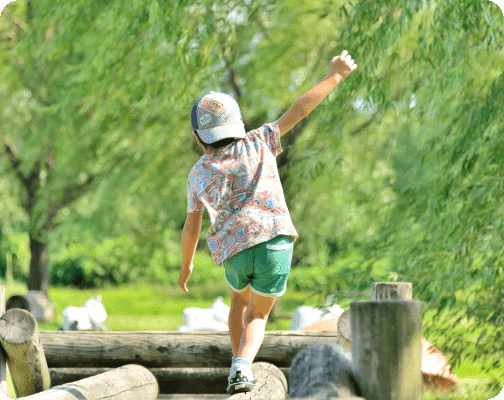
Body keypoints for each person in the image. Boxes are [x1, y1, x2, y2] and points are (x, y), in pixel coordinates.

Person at [179, 50, 357, 395]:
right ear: (237, 124)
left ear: (198, 138)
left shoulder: (198, 173)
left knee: (238, 304)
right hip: (275, 243)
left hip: (233, 252)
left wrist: (186, 266)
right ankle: (244, 366)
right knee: (258, 317)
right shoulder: (260, 141)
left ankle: (237, 364)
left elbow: (191, 227)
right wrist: (336, 75)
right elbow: (300, 109)